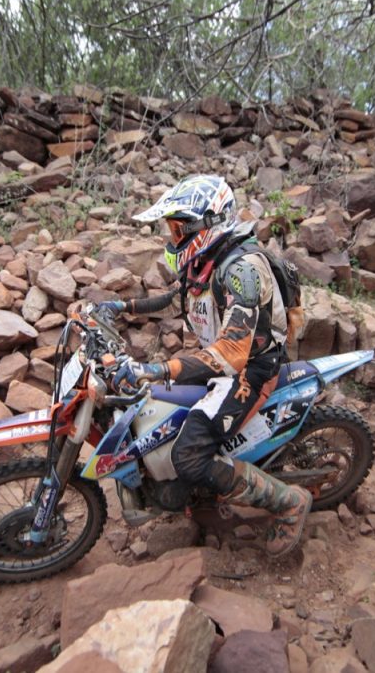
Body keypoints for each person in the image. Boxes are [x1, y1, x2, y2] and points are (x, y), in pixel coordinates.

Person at [95, 174, 312, 557]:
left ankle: (288, 501)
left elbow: (232, 352)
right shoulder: (204, 262)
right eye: (171, 229)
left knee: (189, 454)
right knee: (156, 414)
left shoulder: (242, 269)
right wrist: (119, 307)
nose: (172, 237)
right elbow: (172, 300)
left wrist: (159, 369)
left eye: (178, 229)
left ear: (206, 224)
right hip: (219, 361)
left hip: (250, 370)